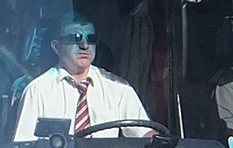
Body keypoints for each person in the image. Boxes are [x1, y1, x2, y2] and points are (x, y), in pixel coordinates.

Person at [11, 12, 156, 141]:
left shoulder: (118, 88)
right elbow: (24, 146)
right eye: (76, 38)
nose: (85, 45)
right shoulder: (37, 90)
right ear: (56, 47)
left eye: (91, 38)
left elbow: (144, 134)